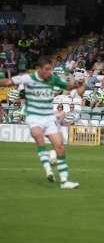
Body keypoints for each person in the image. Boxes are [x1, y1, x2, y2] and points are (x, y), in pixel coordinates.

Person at [0, 57, 84, 189]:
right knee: (39, 139)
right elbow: (8, 81)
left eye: (50, 69)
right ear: (38, 69)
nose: (49, 71)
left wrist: (75, 85)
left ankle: (64, 181)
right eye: (47, 69)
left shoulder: (53, 79)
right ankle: (48, 170)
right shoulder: (28, 78)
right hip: (34, 117)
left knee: (60, 147)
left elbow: (66, 86)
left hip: (48, 117)